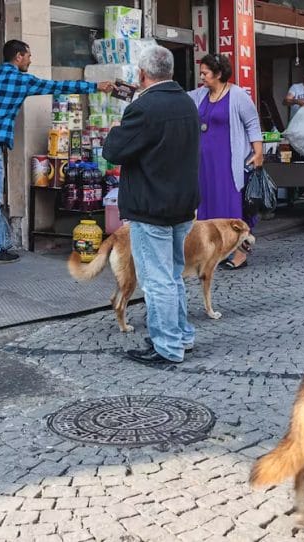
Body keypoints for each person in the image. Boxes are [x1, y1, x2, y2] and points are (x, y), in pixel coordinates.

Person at [0, 40, 114, 264]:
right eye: (28, 56)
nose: (30, 60)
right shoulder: (22, 81)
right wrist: (95, 87)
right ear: (18, 56)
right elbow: (59, 87)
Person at [102, 45, 200, 364]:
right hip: (181, 203)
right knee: (172, 275)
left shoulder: (144, 107)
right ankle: (181, 335)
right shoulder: (187, 101)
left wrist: (115, 130)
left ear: (142, 73)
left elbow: (113, 151)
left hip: (151, 205)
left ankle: (167, 346)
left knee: (158, 280)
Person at [188, 53, 264, 270]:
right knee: (208, 206)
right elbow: (177, 99)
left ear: (219, 74)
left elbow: (252, 123)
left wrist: (258, 152)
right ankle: (214, 251)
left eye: (205, 73)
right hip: (205, 164)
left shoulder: (237, 95)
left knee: (231, 207)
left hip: (228, 163)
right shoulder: (199, 95)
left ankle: (240, 254)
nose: (201, 77)